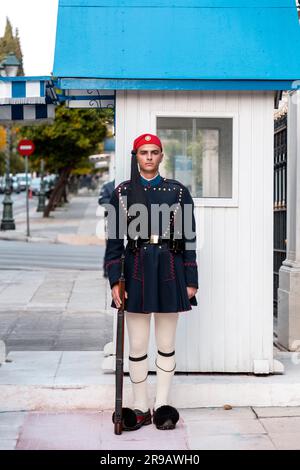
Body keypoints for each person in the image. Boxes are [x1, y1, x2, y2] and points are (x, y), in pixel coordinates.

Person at [105, 133, 198, 431]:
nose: (148, 157)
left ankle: (162, 406)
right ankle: (139, 407)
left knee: (167, 345)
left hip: (170, 268)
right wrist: (114, 281)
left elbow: (188, 239)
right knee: (137, 346)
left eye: (154, 152)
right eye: (143, 152)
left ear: (161, 156)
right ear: (136, 156)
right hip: (133, 270)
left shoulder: (179, 192)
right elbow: (113, 242)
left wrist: (191, 278)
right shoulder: (121, 193)